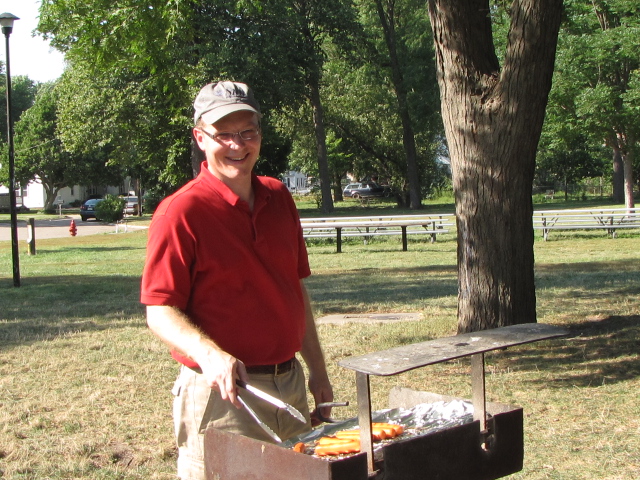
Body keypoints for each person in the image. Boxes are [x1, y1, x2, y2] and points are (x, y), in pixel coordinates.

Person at [140, 81, 334, 480]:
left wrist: (317, 370)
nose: (237, 145)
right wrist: (210, 353)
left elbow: (293, 290)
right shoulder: (180, 212)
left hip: (291, 385)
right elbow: (159, 310)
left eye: (247, 132)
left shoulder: (279, 197)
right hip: (223, 397)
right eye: (223, 134)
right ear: (200, 137)